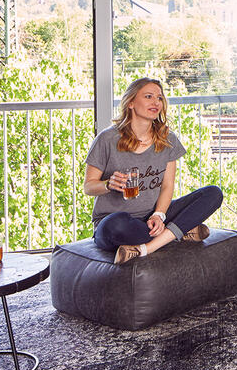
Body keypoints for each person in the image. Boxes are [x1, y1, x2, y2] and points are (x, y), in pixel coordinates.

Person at [83, 77, 223, 264]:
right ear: (131, 102)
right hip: (115, 222)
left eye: (159, 98)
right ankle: (178, 232)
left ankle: (148, 247)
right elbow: (88, 187)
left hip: (153, 217)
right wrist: (108, 184)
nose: (156, 102)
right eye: (148, 96)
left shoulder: (167, 139)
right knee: (117, 225)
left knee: (213, 193)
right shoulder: (107, 139)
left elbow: (167, 186)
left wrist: (159, 215)